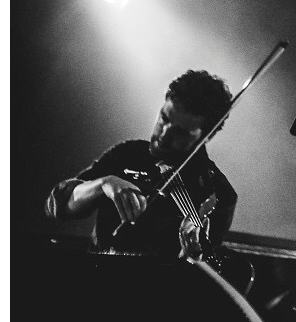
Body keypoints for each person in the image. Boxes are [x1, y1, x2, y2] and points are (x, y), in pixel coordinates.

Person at [45, 69, 238, 261]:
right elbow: (58, 206)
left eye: (181, 133)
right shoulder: (128, 154)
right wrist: (104, 184)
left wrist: (191, 255)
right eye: (164, 118)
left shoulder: (219, 193)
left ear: (206, 137)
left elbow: (200, 271)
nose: (164, 136)